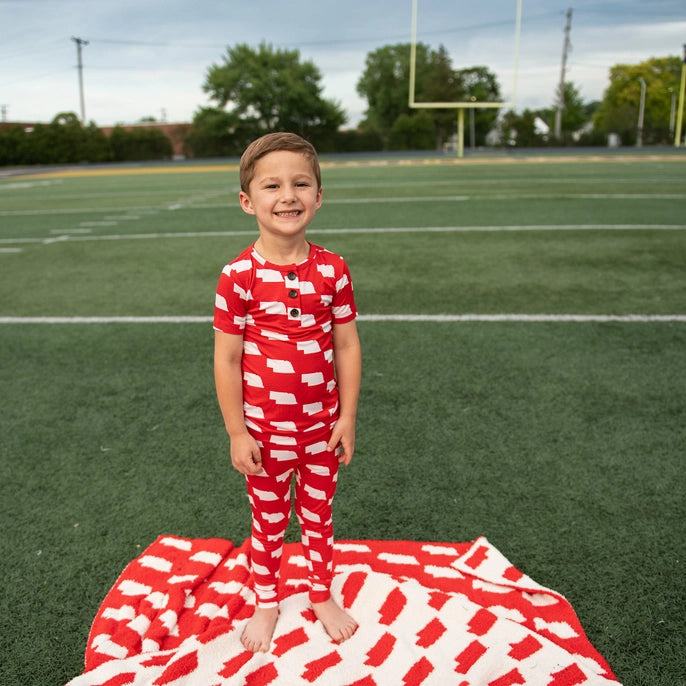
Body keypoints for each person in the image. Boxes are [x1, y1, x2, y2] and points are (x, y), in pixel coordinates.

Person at [213, 132, 362, 653]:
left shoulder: (333, 269)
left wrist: (346, 418)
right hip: (266, 432)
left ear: (318, 195)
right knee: (269, 519)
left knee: (319, 515)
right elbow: (227, 358)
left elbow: (346, 344)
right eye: (271, 185)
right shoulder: (237, 276)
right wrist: (237, 431)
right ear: (247, 201)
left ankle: (321, 594)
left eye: (301, 183)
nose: (288, 196)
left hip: (321, 428)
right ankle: (267, 601)